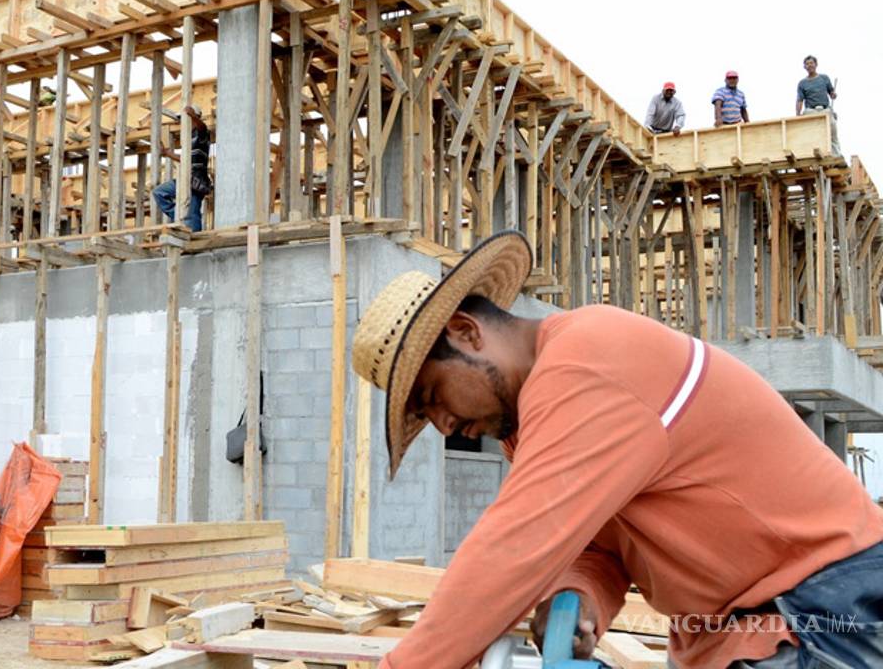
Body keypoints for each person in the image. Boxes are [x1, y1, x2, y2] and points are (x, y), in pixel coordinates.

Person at [352, 231, 883, 669]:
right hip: (740, 631)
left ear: (466, 332)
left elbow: (514, 547)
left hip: (822, 613)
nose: (444, 425)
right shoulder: (541, 417)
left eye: (432, 396)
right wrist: (579, 596)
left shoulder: (587, 363)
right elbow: (603, 548)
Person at [152, 106, 211, 231]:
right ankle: (179, 217)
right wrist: (167, 153)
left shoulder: (201, 135)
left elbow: (203, 127)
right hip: (185, 179)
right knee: (159, 192)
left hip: (197, 181)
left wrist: (193, 116)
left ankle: (194, 236)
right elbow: (186, 159)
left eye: (184, 119)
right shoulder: (189, 138)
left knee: (192, 211)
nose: (182, 123)